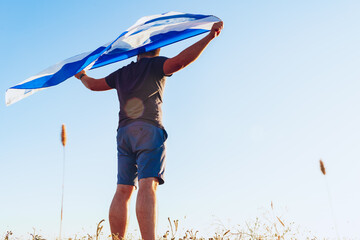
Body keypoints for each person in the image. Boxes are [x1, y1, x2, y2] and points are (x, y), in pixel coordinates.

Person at [75, 21, 223, 240]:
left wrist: (81, 76)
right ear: (159, 48)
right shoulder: (156, 65)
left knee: (122, 190)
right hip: (148, 130)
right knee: (147, 185)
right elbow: (180, 62)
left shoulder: (122, 73)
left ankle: (117, 239)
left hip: (124, 134)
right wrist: (210, 37)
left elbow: (94, 85)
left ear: (137, 51)